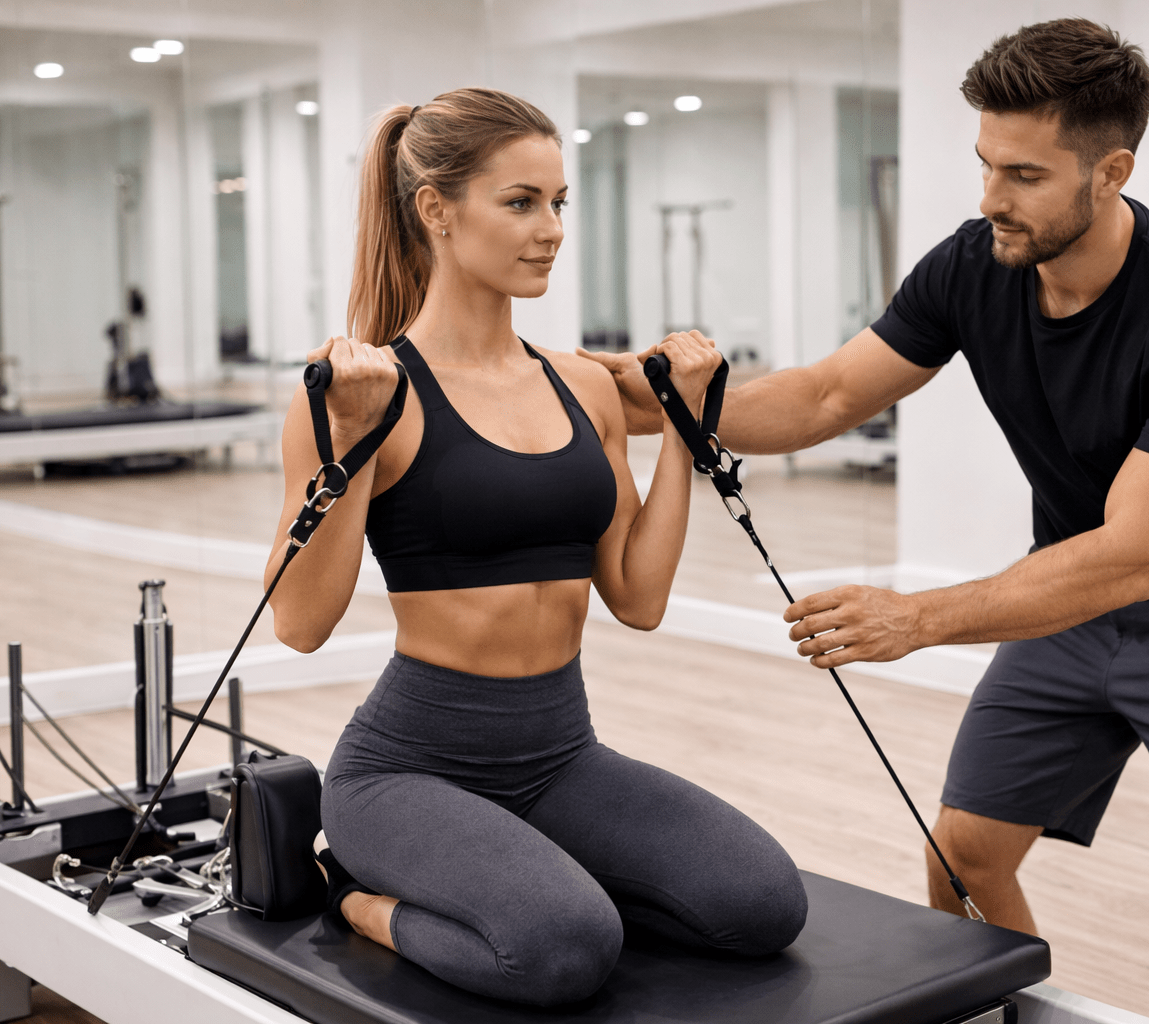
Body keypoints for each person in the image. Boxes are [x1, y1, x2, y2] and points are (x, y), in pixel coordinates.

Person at [583, 20, 1149, 1024]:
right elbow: (824, 396)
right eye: (986, 164)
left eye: (1024, 175)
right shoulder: (975, 264)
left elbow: (1132, 557)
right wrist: (640, 402)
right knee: (965, 856)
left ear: (1111, 172)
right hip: (1072, 599)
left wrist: (917, 618)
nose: (990, 197)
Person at [264, 88, 807, 1008]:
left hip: (560, 756)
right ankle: (357, 897)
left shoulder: (583, 386)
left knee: (761, 905)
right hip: (408, 770)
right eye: (520, 203)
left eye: (558, 202)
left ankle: (527, 875)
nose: (551, 229)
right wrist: (349, 442)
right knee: (564, 947)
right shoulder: (371, 394)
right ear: (437, 210)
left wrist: (682, 425)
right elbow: (299, 624)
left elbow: (638, 597)